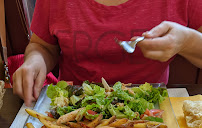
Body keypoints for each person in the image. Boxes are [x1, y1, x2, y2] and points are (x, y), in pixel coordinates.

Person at [13, 0, 202, 106]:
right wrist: (34, 61)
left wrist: (187, 41)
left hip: (150, 113)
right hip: (73, 109)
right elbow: (43, 46)